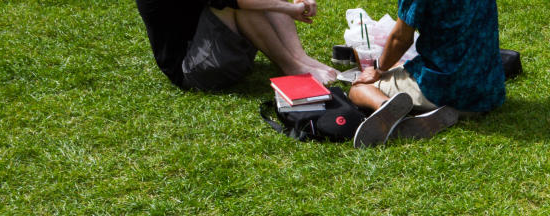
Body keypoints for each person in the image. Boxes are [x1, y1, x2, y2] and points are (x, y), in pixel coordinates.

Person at [348, 0, 506, 148]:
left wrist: (378, 69)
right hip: (488, 89)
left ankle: (388, 108)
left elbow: (401, 39)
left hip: (446, 87)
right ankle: (456, 110)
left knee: (359, 88)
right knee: (398, 65)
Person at [136, 0, 336, 91]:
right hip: (192, 70)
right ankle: (291, 66)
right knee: (235, 5)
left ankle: (299, 58)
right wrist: (289, 8)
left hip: (216, 50)